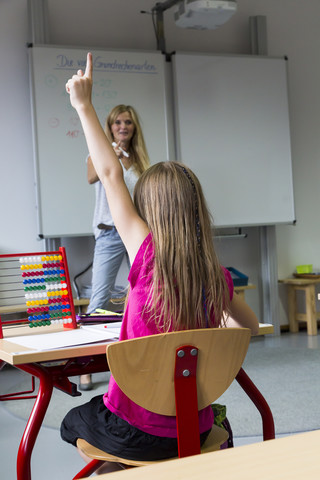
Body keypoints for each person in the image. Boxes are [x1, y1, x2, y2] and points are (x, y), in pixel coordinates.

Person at [62, 53, 259, 473]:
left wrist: (83, 105)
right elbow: (249, 330)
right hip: (198, 428)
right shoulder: (216, 275)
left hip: (136, 432)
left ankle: (128, 469)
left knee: (74, 420)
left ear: (148, 211)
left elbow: (111, 175)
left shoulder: (146, 254)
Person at [79, 104, 150, 391]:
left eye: (128, 122)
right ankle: (86, 367)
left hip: (134, 233)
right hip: (109, 235)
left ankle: (138, 360)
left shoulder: (141, 159)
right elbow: (92, 177)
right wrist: (112, 154)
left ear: (134, 128)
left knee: (143, 293)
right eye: (118, 122)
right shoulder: (99, 152)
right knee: (99, 300)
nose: (123, 127)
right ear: (109, 127)